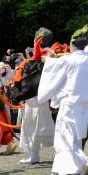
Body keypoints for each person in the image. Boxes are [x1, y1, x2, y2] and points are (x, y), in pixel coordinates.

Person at [37, 25, 88, 175]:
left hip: (69, 104)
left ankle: (80, 163)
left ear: (72, 45)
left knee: (65, 137)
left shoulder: (67, 60)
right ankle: (60, 167)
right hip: (83, 104)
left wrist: (49, 60)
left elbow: (52, 69)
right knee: (73, 137)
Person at [18, 27, 56, 165]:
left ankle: (59, 152)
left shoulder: (49, 56)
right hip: (34, 97)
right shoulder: (43, 56)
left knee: (42, 127)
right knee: (30, 126)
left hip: (40, 96)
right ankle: (33, 155)